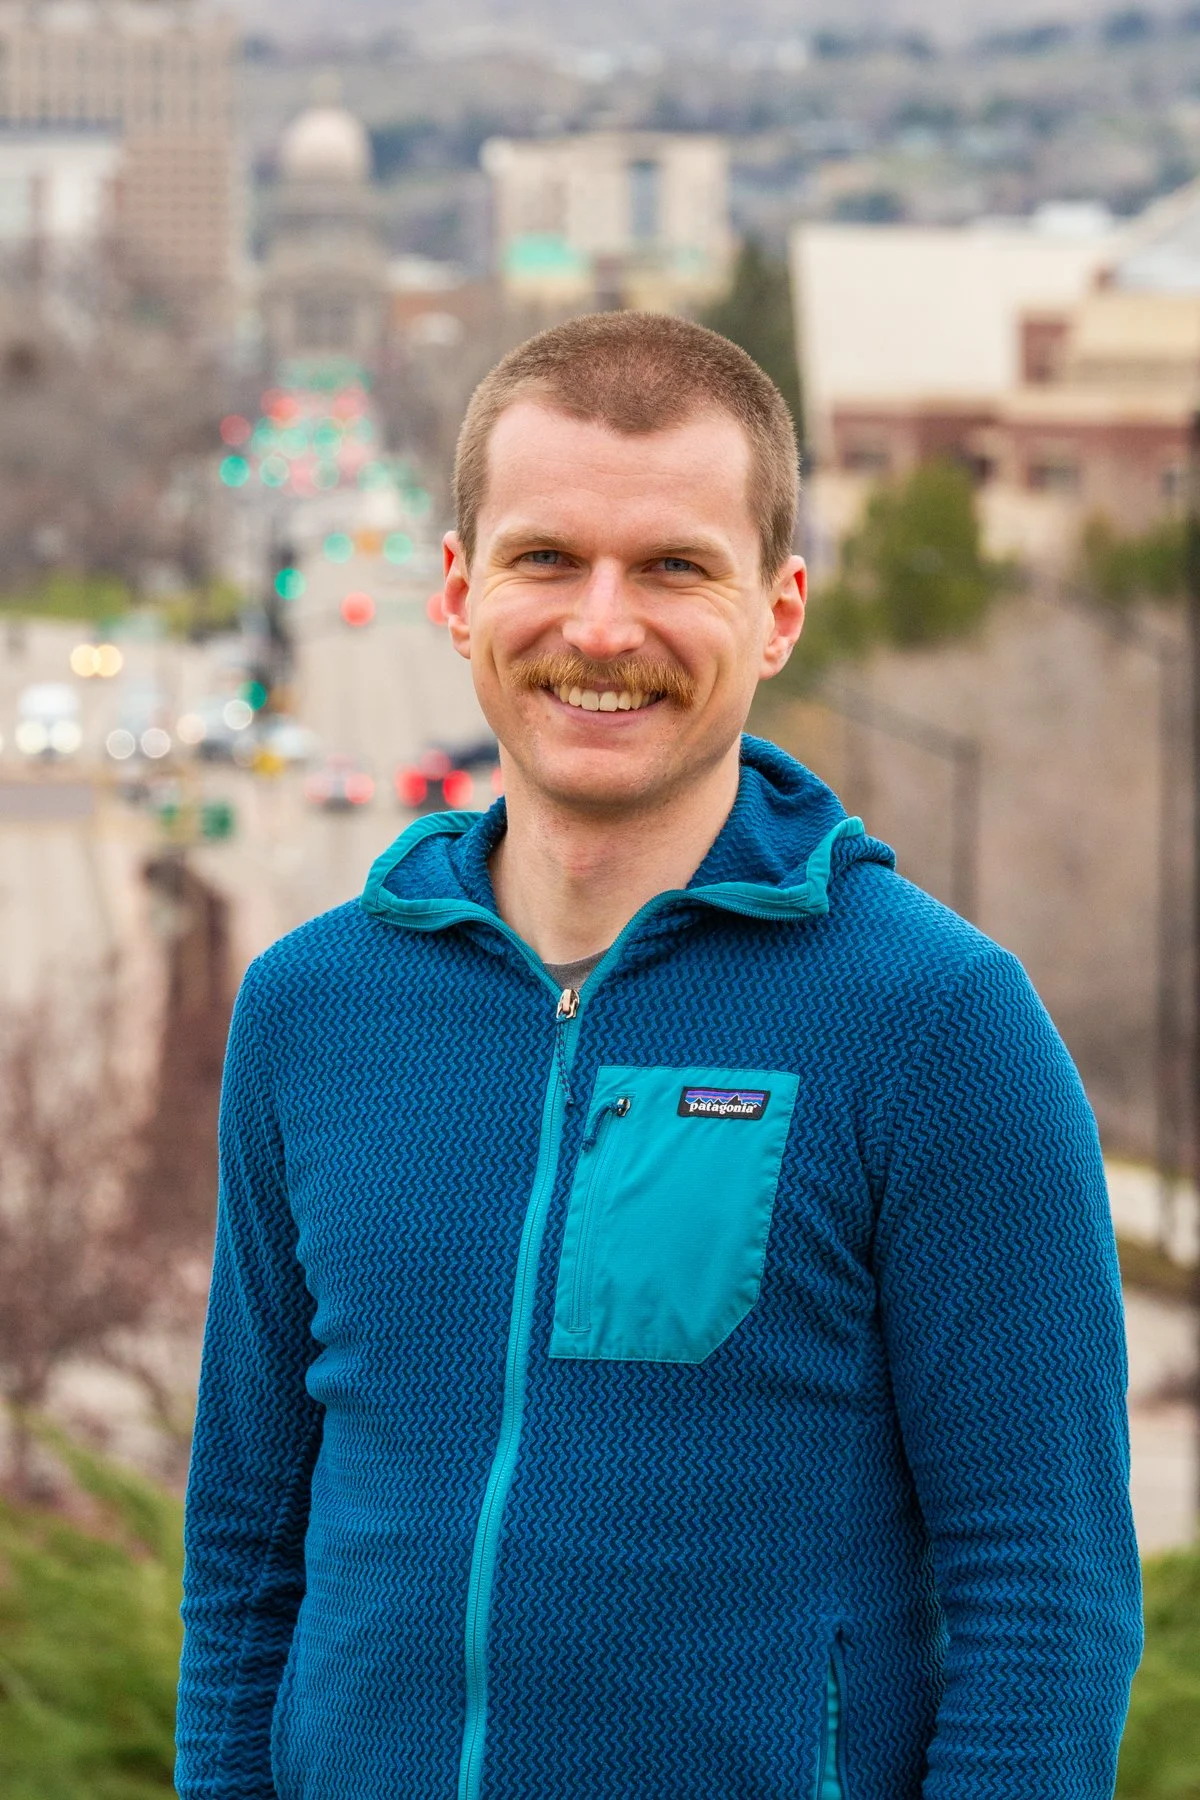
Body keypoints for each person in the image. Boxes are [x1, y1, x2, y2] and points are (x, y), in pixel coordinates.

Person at [176, 312, 1141, 1800]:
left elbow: (1049, 1602)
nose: (603, 628)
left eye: (676, 567)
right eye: (547, 558)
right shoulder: (313, 1008)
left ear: (780, 610)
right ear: (459, 588)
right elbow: (248, 1539)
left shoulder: (942, 1028)